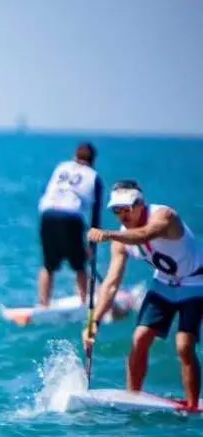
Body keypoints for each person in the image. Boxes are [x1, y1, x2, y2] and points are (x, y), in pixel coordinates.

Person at [84, 180, 203, 408]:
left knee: (184, 345)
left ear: (140, 204)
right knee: (140, 338)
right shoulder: (121, 239)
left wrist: (108, 235)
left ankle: (192, 406)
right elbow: (111, 283)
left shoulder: (165, 216)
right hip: (163, 284)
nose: (122, 215)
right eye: (116, 210)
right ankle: (133, 399)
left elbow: (146, 234)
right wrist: (94, 322)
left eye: (127, 208)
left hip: (195, 283)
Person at [36, 142, 104, 307]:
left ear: (75, 156)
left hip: (47, 214)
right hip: (71, 217)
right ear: (93, 160)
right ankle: (84, 302)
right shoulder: (94, 177)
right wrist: (92, 245)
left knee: (48, 265)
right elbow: (95, 215)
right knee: (80, 264)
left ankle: (43, 303)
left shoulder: (61, 167)